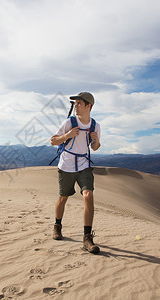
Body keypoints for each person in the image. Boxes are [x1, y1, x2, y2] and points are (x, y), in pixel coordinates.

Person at [50, 92, 101, 254]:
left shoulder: (95, 126)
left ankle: (87, 238)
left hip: (84, 166)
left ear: (89, 106)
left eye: (79, 103)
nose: (76, 106)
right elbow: (53, 141)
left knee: (88, 195)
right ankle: (57, 226)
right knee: (63, 198)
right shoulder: (69, 123)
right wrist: (67, 135)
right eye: (75, 103)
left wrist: (96, 141)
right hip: (66, 166)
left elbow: (95, 148)